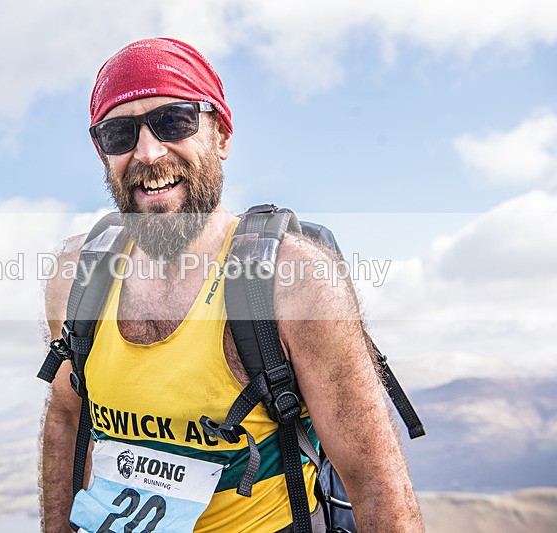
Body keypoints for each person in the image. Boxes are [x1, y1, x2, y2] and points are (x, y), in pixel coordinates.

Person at [39, 37, 423, 533]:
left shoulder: (294, 283)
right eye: (119, 133)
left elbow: (376, 488)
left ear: (221, 135)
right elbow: (66, 418)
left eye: (173, 121)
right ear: (102, 152)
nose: (148, 152)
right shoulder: (77, 275)